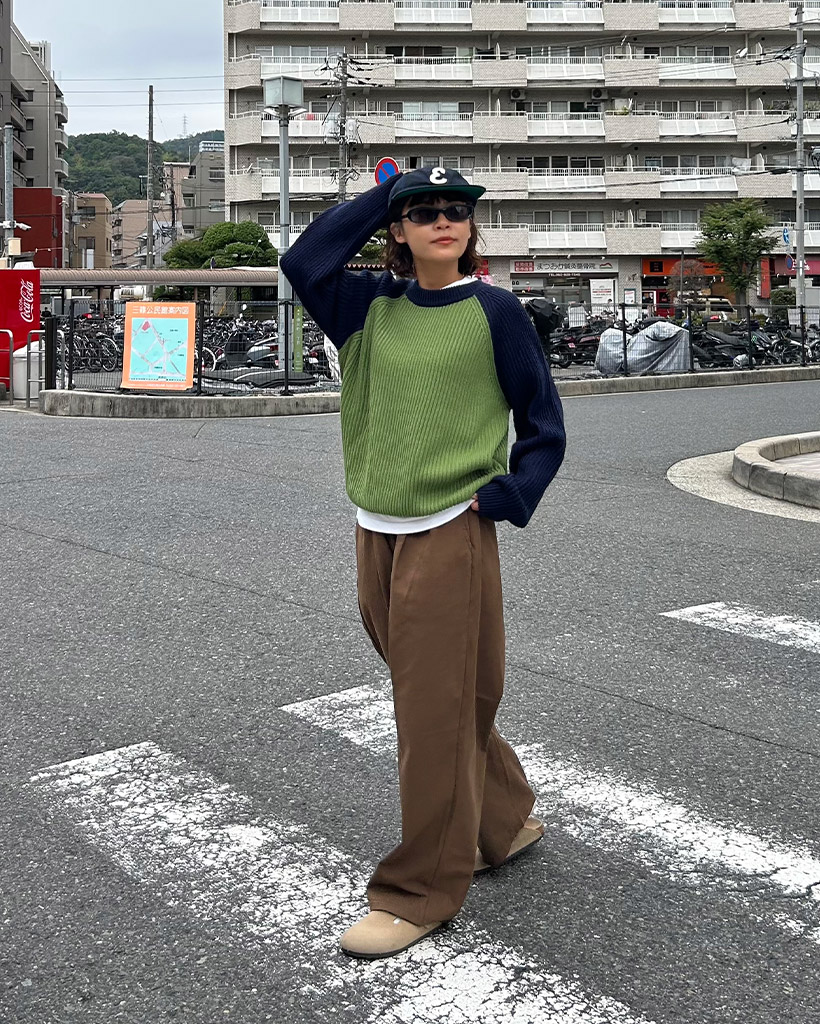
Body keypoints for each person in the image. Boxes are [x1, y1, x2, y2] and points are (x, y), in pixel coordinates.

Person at [279, 166, 566, 961]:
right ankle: (503, 820)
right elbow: (303, 261)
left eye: (457, 210)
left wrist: (512, 492)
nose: (445, 220)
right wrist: (387, 193)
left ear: (472, 229)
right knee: (445, 694)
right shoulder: (368, 307)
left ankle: (418, 892)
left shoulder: (496, 311)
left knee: (431, 711)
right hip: (375, 525)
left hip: (450, 529)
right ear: (399, 232)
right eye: (426, 212)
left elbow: (542, 420)